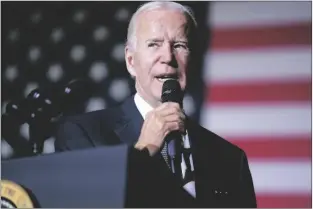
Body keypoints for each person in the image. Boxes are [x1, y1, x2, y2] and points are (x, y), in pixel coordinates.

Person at [55, 1, 257, 208]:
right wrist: (143, 151)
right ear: (131, 61)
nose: (168, 57)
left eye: (180, 45)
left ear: (193, 60)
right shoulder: (83, 134)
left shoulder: (230, 159)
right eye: (154, 44)